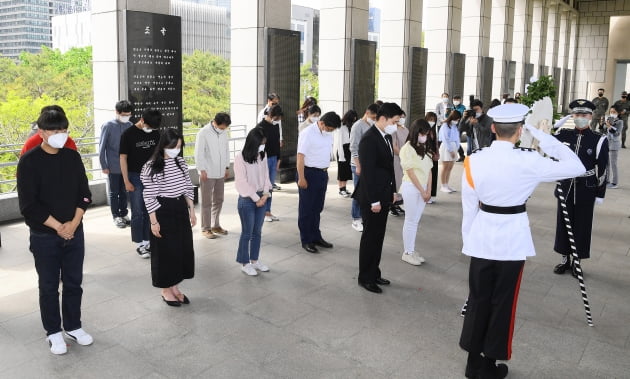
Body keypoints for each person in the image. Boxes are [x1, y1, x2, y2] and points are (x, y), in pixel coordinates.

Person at [459, 104, 585, 379]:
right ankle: (490, 364)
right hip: (512, 241)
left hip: (481, 238)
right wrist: (542, 135)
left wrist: (469, 240)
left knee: (478, 298)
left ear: (492, 129)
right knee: (503, 301)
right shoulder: (529, 160)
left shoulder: (475, 159)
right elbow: (576, 166)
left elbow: (469, 206)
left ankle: (472, 362)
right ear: (519, 131)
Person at [17, 108, 94, 355]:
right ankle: (53, 332)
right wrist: (58, 227)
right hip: (45, 235)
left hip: (74, 232)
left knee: (74, 283)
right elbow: (29, 206)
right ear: (41, 133)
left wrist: (73, 223)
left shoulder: (72, 157)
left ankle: (73, 326)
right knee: (49, 286)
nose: (60, 134)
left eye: (63, 130)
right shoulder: (29, 161)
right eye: (54, 130)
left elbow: (85, 194)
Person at [553, 99, 609, 277]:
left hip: (586, 187)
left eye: (584, 115)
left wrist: (600, 193)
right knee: (564, 223)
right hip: (566, 185)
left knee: (582, 225)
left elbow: (603, 168)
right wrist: (560, 121)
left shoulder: (599, 139)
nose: (580, 118)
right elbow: (547, 136)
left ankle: (577, 261)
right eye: (577, 114)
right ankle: (564, 259)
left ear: (590, 116)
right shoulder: (564, 134)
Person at [141, 129, 196, 307]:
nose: (176, 150)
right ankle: (166, 290)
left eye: (179, 146)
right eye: (173, 146)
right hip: (162, 210)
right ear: (163, 145)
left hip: (179, 207)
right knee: (165, 252)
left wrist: (191, 210)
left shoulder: (180, 162)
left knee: (181, 249)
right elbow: (149, 196)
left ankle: (175, 286)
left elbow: (187, 186)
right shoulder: (151, 166)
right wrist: (154, 221)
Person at [354, 102, 403, 294]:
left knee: (378, 237)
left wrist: (392, 190)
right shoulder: (369, 139)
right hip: (371, 197)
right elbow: (368, 174)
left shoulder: (386, 137)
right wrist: (374, 200)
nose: (396, 125)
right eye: (394, 121)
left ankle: (374, 272)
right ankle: (365, 277)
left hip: (384, 195)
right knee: (370, 238)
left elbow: (389, 168)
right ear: (382, 119)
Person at [297, 111, 342, 253]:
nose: (330, 131)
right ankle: (306, 240)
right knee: (306, 209)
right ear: (322, 123)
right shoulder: (308, 133)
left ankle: (316, 236)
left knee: (317, 208)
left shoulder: (328, 133)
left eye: (332, 130)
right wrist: (301, 177)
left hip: (322, 173)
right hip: (309, 173)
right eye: (329, 129)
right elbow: (300, 156)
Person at [119, 108, 161, 258]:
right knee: (138, 211)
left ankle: (148, 240)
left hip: (152, 175)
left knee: (151, 209)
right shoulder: (128, 134)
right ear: (142, 121)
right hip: (134, 176)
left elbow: (158, 154)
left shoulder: (155, 132)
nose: (151, 130)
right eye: (149, 126)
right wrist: (126, 180)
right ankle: (139, 243)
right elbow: (123, 158)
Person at [234, 127, 272, 276]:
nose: (263, 146)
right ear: (253, 143)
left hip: (261, 197)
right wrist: (257, 199)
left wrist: (266, 193)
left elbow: (266, 176)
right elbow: (241, 183)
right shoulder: (240, 158)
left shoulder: (262, 155)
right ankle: (244, 263)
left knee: (257, 232)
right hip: (247, 199)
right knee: (247, 232)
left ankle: (255, 261)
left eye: (264, 143)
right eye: (261, 143)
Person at [399, 119, 434, 266]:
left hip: (422, 189)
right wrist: (422, 190)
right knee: (411, 221)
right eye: (423, 133)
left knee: (415, 221)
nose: (425, 136)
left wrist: (429, 190)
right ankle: (407, 252)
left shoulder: (423, 147)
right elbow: (411, 172)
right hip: (412, 188)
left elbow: (430, 170)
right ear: (416, 132)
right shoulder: (407, 148)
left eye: (426, 133)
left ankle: (411, 250)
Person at [194, 112, 231, 239]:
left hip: (221, 172)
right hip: (208, 173)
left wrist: (227, 167)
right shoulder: (203, 133)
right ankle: (206, 228)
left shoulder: (224, 132)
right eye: (222, 127)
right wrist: (201, 170)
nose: (223, 129)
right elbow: (199, 153)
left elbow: (226, 150)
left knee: (219, 200)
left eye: (225, 128)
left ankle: (215, 225)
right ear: (215, 122)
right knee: (206, 201)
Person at [99, 100, 133, 229]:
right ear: (117, 112)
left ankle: (124, 214)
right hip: (112, 166)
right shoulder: (108, 125)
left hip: (127, 167)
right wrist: (104, 165)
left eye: (128, 114)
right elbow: (102, 147)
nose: (126, 117)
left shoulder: (130, 125)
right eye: (124, 114)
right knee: (114, 192)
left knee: (124, 191)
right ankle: (116, 216)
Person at [349, 103, 379, 232]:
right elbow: (353, 147)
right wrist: (358, 165)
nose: (374, 119)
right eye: (373, 116)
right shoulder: (358, 126)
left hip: (370, 164)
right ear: (367, 113)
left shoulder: (374, 125)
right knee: (359, 192)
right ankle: (356, 218)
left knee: (368, 191)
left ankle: (364, 215)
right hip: (358, 164)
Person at [257, 104, 283, 222]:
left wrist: (279, 159)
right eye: (278, 117)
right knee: (263, 186)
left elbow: (277, 144)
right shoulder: (260, 127)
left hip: (273, 159)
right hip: (263, 160)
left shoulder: (275, 126)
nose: (278, 120)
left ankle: (268, 211)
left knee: (270, 186)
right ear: (272, 115)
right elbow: (257, 146)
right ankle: (262, 211)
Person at [258, 93, 284, 189]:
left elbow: (279, 127)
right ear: (268, 101)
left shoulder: (277, 115)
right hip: (265, 152)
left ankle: (271, 184)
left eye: (277, 103)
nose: (275, 105)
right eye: (273, 103)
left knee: (272, 172)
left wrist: (280, 139)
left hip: (274, 149)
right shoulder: (263, 114)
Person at [334, 109, 357, 197]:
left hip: (349, 149)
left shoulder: (351, 126)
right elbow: (339, 142)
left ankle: (344, 188)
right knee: (342, 170)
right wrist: (341, 155)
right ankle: (341, 189)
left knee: (347, 170)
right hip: (342, 149)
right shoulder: (341, 126)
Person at [438, 110, 462, 193]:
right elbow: (445, 139)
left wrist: (457, 148)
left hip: (454, 146)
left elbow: (457, 137)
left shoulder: (454, 126)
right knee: (445, 167)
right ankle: (443, 185)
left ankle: (447, 184)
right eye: (457, 119)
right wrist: (451, 150)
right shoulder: (445, 125)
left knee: (450, 167)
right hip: (446, 147)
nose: (457, 121)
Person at [390, 111, 409, 216]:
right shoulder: (393, 130)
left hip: (405, 158)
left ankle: (398, 204)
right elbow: (394, 145)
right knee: (396, 181)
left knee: (402, 180)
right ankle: (392, 205)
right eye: (400, 117)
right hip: (397, 158)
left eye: (403, 117)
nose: (402, 119)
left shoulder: (406, 129)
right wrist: (402, 155)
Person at [603, 107, 622, 188]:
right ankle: (607, 181)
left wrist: (610, 126)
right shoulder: (608, 120)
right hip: (607, 144)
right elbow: (603, 130)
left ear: (617, 113)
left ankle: (615, 183)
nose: (612, 113)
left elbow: (617, 133)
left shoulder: (620, 122)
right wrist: (602, 124)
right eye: (611, 111)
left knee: (613, 164)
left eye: (614, 112)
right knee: (607, 164)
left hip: (614, 145)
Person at [425, 111, 440, 203]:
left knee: (434, 175)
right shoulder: (423, 130)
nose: (432, 122)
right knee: (427, 176)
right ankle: (426, 194)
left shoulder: (434, 131)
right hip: (426, 156)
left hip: (434, 156)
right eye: (430, 119)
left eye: (434, 120)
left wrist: (437, 153)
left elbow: (436, 143)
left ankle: (432, 194)